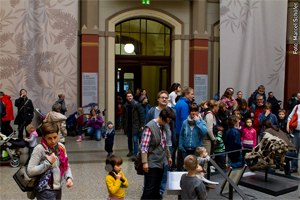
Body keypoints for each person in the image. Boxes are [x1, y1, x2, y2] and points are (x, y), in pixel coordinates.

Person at [27, 122, 73, 199]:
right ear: (44, 137)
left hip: (58, 189)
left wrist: (68, 177)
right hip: (44, 190)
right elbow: (30, 171)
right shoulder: (39, 149)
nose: (53, 141)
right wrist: (47, 163)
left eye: (55, 137)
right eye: (49, 138)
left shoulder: (61, 147)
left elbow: (66, 165)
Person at [144, 91, 176, 196]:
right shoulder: (150, 126)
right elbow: (144, 146)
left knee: (157, 188)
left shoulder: (161, 126)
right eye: (168, 120)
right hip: (152, 161)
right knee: (150, 188)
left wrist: (169, 156)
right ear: (163, 118)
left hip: (161, 161)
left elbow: (164, 143)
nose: (168, 123)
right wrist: (145, 162)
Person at [175, 87, 194, 171]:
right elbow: (185, 121)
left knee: (179, 153)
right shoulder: (185, 105)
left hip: (178, 131)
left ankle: (179, 169)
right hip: (182, 133)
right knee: (183, 153)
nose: (193, 96)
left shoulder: (179, 102)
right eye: (192, 94)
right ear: (186, 94)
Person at [120, 92, 143, 158]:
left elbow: (141, 115)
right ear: (126, 97)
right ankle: (130, 151)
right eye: (128, 96)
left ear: (132, 96)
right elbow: (123, 116)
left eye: (130, 96)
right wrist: (122, 126)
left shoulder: (137, 105)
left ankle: (135, 154)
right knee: (129, 139)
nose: (129, 97)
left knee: (135, 140)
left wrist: (142, 125)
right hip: (128, 125)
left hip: (135, 125)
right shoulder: (125, 106)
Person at [203, 99, 218, 172]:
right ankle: (204, 174)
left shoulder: (211, 114)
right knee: (205, 157)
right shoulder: (209, 115)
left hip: (207, 139)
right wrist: (213, 139)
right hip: (206, 140)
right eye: (217, 106)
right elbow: (209, 129)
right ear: (214, 106)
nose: (218, 108)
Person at [287, 103, 300, 173]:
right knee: (295, 149)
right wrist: (288, 126)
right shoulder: (297, 107)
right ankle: (294, 167)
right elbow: (290, 117)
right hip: (296, 131)